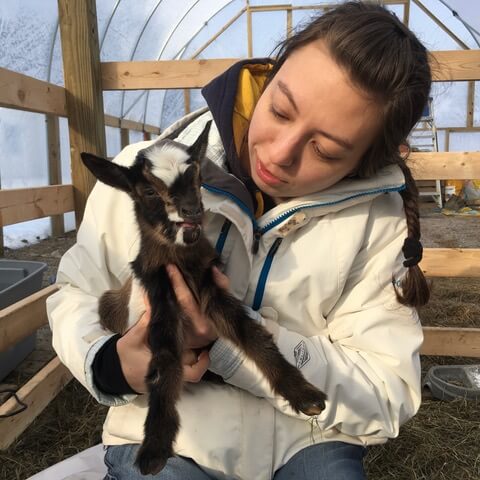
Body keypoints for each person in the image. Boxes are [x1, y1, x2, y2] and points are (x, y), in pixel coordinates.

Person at [47, 2, 432, 479]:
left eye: (325, 150)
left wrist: (227, 346)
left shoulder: (375, 221)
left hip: (308, 436)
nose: (278, 153)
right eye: (280, 109)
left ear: (365, 162)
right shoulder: (144, 173)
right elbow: (77, 291)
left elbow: (386, 388)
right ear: (268, 76)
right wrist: (109, 363)